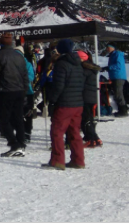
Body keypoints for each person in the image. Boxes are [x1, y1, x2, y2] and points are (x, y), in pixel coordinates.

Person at [42, 39, 86, 170]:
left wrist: (52, 100)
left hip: (65, 103)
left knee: (57, 132)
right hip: (77, 103)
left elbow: (58, 86)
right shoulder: (78, 63)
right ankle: (78, 160)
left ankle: (57, 160)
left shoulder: (61, 64)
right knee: (74, 132)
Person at [0, 32, 28, 157]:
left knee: (3, 119)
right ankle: (21, 144)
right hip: (19, 90)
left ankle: (14, 144)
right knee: (18, 118)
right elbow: (25, 75)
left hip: (5, 91)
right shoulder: (19, 56)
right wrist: (25, 90)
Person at [79, 50, 103, 148]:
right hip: (92, 96)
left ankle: (91, 139)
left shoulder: (84, 69)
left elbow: (80, 83)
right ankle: (95, 138)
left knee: (86, 119)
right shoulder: (91, 68)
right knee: (89, 118)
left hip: (85, 96)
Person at [15, 46, 36, 144]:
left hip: (19, 91)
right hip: (27, 92)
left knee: (19, 113)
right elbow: (31, 76)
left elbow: (30, 77)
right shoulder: (27, 63)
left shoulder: (24, 64)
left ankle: (23, 133)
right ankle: (26, 133)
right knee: (27, 114)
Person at [101, 44, 128, 117]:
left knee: (118, 94)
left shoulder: (117, 54)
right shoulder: (112, 55)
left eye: (108, 47)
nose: (107, 49)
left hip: (118, 76)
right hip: (114, 76)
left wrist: (108, 67)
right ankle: (121, 110)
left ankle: (123, 111)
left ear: (113, 47)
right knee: (117, 94)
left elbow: (118, 65)